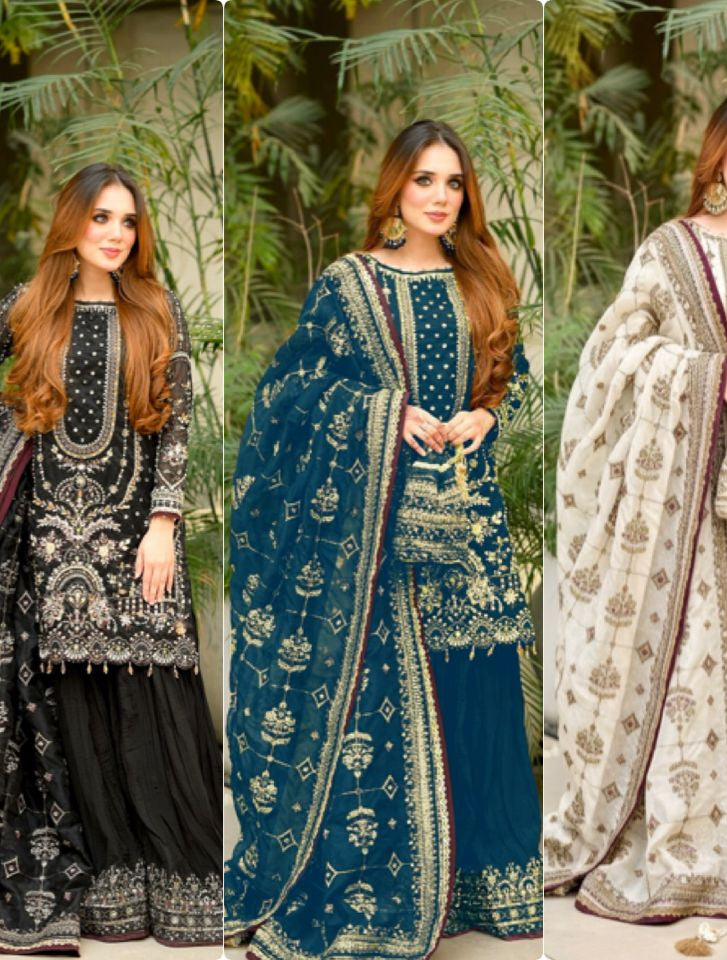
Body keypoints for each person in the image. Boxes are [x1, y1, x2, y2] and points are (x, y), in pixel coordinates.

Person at [226, 119, 542, 959]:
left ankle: (483, 881)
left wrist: (487, 413)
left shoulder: (483, 282)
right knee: (395, 695)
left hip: (470, 518)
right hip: (379, 530)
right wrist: (383, 416)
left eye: (454, 184)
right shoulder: (350, 284)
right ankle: (390, 888)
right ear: (395, 188)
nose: (441, 198)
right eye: (424, 182)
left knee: (476, 688)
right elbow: (289, 392)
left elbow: (520, 392)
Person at [544, 89, 727, 929]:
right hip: (691, 499)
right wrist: (712, 378)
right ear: (717, 154)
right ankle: (697, 848)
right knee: (695, 671)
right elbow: (616, 353)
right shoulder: (674, 250)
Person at [0, 163, 222, 951]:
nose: (116, 234)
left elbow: (180, 423)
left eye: (128, 221)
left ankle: (178, 892)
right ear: (71, 224)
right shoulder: (28, 312)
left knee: (156, 698)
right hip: (53, 545)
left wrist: (164, 521)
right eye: (101, 218)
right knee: (76, 712)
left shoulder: (157, 308)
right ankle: (104, 895)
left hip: (139, 538)